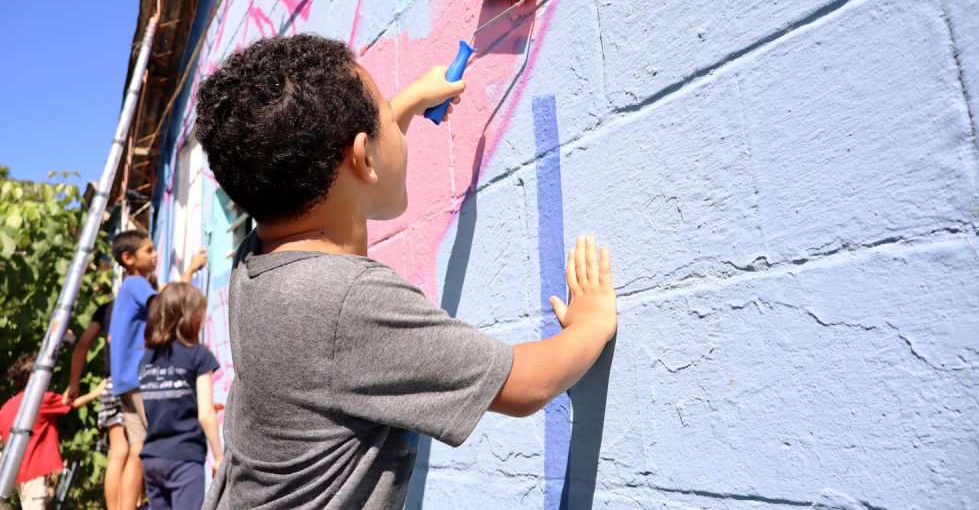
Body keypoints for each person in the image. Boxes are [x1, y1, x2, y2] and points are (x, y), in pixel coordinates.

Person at [195, 34, 617, 508]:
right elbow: (525, 385)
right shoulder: (349, 302)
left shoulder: (256, 259)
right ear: (363, 157)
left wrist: (410, 101)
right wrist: (591, 324)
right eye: (385, 114)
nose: (392, 121)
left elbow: (339, 166)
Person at [107, 230, 206, 510]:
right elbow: (166, 306)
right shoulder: (136, 283)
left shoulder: (127, 289)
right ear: (128, 258)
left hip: (124, 381)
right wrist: (188, 272)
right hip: (141, 380)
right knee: (157, 445)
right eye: (148, 250)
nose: (154, 255)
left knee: (139, 449)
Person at [138, 281, 222, 509]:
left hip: (153, 457)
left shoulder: (147, 358)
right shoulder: (198, 355)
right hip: (184, 458)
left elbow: (148, 411)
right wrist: (219, 457)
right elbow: (205, 414)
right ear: (190, 317)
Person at [0, 354, 104, 510]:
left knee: (43, 502)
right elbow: (71, 403)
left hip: (13, 472)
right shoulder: (40, 399)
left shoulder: (7, 406)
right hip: (34, 471)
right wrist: (98, 391)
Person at [62, 292, 128, 510]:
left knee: (118, 452)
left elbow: (83, 344)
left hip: (112, 383)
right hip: (136, 382)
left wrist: (74, 383)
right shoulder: (147, 302)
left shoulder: (107, 309)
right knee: (135, 451)